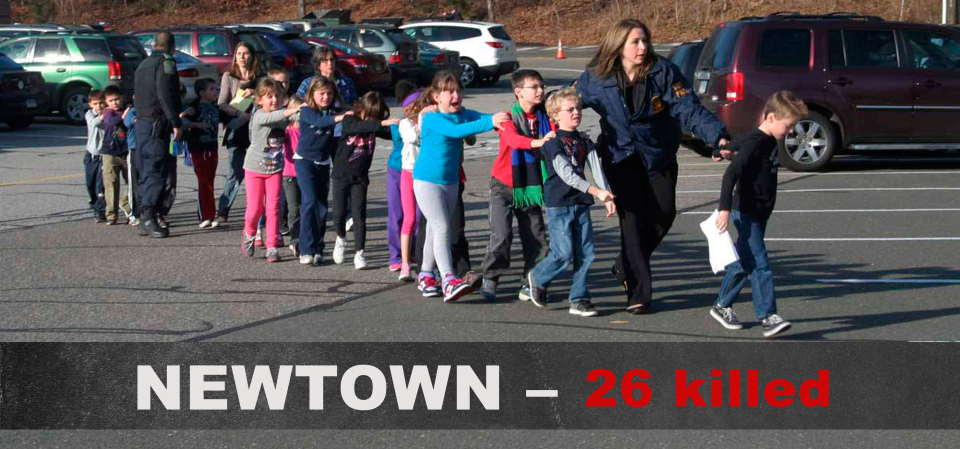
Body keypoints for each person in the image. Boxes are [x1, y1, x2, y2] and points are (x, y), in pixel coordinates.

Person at [575, 19, 729, 314]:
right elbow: (566, 103)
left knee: (664, 213)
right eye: (635, 42)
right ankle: (638, 293)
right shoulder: (596, 77)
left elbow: (688, 108)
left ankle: (625, 265)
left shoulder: (663, 71)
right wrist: (540, 122)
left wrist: (716, 136)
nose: (643, 47)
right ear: (619, 45)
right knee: (631, 225)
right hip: (620, 157)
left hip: (658, 153)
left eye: (645, 40)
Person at [710, 91, 807, 338]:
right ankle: (768, 316)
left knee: (744, 261)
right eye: (788, 125)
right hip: (746, 212)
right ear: (772, 117)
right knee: (760, 263)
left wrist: (722, 149)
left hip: (760, 212)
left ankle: (722, 306)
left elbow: (740, 140)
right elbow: (730, 174)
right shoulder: (757, 142)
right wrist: (724, 209)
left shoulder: (763, 138)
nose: (790, 131)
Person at [413, 71, 509, 302]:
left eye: (459, 90)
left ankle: (426, 275)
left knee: (436, 230)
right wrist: (491, 121)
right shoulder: (432, 118)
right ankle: (448, 280)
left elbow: (481, 117)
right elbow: (457, 131)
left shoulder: (463, 114)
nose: (456, 95)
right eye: (449, 91)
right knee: (442, 226)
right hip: (426, 181)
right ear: (436, 97)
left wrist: (505, 117)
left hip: (451, 181)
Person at [527, 87, 616, 316]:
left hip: (581, 202)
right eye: (569, 109)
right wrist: (596, 191)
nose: (576, 112)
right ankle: (537, 278)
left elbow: (596, 167)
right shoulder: (552, 143)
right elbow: (566, 173)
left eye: (578, 108)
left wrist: (606, 194)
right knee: (563, 253)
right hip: (559, 203)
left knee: (586, 253)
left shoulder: (584, 140)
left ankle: (579, 298)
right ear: (555, 115)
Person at [479, 69, 553, 302]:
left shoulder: (546, 117)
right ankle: (491, 278)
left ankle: (532, 281)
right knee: (501, 235)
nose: (540, 91)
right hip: (503, 184)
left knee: (535, 236)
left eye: (542, 86)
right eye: (534, 87)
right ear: (519, 92)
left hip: (530, 185)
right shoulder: (506, 118)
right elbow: (512, 140)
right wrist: (537, 142)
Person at [331, 92, 400, 270]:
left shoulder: (374, 126)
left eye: (376, 117)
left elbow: (391, 133)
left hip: (360, 178)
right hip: (340, 175)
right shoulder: (349, 120)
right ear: (361, 109)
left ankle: (359, 253)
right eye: (369, 115)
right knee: (338, 215)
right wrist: (380, 123)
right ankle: (341, 238)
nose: (372, 119)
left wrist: (406, 127)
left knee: (359, 215)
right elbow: (356, 128)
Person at [242, 78, 300, 263]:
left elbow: (298, 118)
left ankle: (272, 246)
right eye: (269, 96)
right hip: (254, 168)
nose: (274, 99)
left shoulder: (283, 115)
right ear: (259, 99)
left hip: (275, 169)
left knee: (273, 208)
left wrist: (308, 110)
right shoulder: (260, 115)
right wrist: (290, 110)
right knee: (255, 209)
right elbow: (274, 117)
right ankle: (250, 234)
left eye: (277, 96)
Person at [296, 77, 350, 265]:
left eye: (329, 93)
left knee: (321, 207)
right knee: (309, 201)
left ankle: (318, 248)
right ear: (312, 94)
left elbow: (351, 114)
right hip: (304, 161)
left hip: (323, 162)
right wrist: (339, 117)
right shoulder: (306, 110)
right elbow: (320, 122)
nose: (326, 97)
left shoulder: (334, 111)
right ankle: (305, 249)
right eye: (322, 93)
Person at [134, 31, 182, 238]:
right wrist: (175, 121)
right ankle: (149, 216)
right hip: (156, 124)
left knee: (145, 171)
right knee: (156, 170)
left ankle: (144, 216)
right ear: (172, 46)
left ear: (154, 44)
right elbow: (165, 94)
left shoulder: (143, 64)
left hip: (142, 123)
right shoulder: (166, 63)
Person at [217, 42, 262, 224]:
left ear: (252, 56)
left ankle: (259, 211)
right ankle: (223, 208)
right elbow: (221, 103)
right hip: (237, 128)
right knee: (235, 172)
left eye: (246, 53)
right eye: (239, 54)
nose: (242, 57)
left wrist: (255, 95)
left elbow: (269, 100)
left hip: (256, 129)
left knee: (258, 172)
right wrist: (238, 114)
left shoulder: (260, 77)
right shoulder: (229, 76)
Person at [386, 80, 418, 273]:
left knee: (418, 215)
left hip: (420, 172)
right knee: (398, 213)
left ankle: (413, 251)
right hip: (399, 170)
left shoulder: (428, 120)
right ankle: (396, 255)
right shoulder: (401, 125)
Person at [181, 78, 222, 228]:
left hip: (212, 148)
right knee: (203, 181)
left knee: (210, 182)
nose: (215, 92)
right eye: (211, 89)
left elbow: (231, 121)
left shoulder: (216, 107)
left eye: (216, 89)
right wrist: (196, 124)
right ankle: (204, 216)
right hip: (198, 149)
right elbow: (182, 122)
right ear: (201, 92)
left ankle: (211, 215)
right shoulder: (194, 107)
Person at [397, 89, 427, 281]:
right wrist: (422, 122)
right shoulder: (404, 124)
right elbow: (413, 138)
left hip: (425, 174)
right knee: (410, 218)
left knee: (426, 218)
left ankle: (426, 261)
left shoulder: (429, 121)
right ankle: (405, 264)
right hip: (409, 173)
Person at [98, 86, 132, 226]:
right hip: (110, 153)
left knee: (132, 182)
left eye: (117, 99)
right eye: (111, 100)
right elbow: (112, 122)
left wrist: (129, 110)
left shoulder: (129, 109)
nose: (114, 103)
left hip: (127, 152)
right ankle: (111, 214)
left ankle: (128, 206)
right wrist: (123, 116)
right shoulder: (107, 112)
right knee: (111, 183)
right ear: (106, 102)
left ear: (122, 98)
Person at [83, 90, 106, 223]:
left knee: (100, 185)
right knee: (90, 183)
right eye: (95, 103)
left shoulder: (109, 115)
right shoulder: (89, 114)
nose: (99, 106)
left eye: (101, 103)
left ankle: (100, 211)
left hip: (104, 155)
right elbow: (94, 123)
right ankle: (94, 204)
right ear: (90, 104)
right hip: (91, 155)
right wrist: (105, 115)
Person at [123, 102, 140, 227]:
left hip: (149, 148)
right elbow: (128, 122)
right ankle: (134, 213)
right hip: (134, 149)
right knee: (134, 182)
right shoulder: (132, 111)